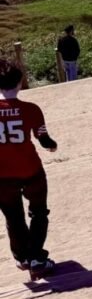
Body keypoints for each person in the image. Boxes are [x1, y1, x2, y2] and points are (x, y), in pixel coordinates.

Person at [0, 58, 58, 279]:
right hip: (30, 170)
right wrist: (53, 146)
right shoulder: (31, 110)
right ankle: (37, 258)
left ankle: (22, 257)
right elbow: (44, 140)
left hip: (2, 176)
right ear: (20, 81)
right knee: (39, 212)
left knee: (13, 217)